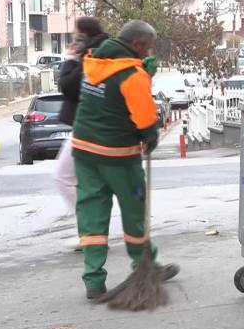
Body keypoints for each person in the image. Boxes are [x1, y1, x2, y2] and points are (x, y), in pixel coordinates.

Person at [72, 20, 177, 299]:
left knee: (92, 214)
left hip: (83, 151)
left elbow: (111, 98)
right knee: (134, 213)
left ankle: (93, 280)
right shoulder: (132, 74)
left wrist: (143, 74)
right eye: (146, 49)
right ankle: (146, 266)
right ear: (136, 45)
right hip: (118, 155)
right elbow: (143, 117)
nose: (146, 54)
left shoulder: (93, 62)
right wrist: (151, 134)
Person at [54, 17, 109, 216]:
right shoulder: (95, 52)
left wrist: (70, 59)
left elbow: (68, 87)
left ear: (84, 34)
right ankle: (89, 227)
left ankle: (89, 225)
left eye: (75, 33)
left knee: (63, 176)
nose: (73, 37)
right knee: (83, 180)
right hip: (91, 125)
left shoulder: (91, 56)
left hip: (87, 126)